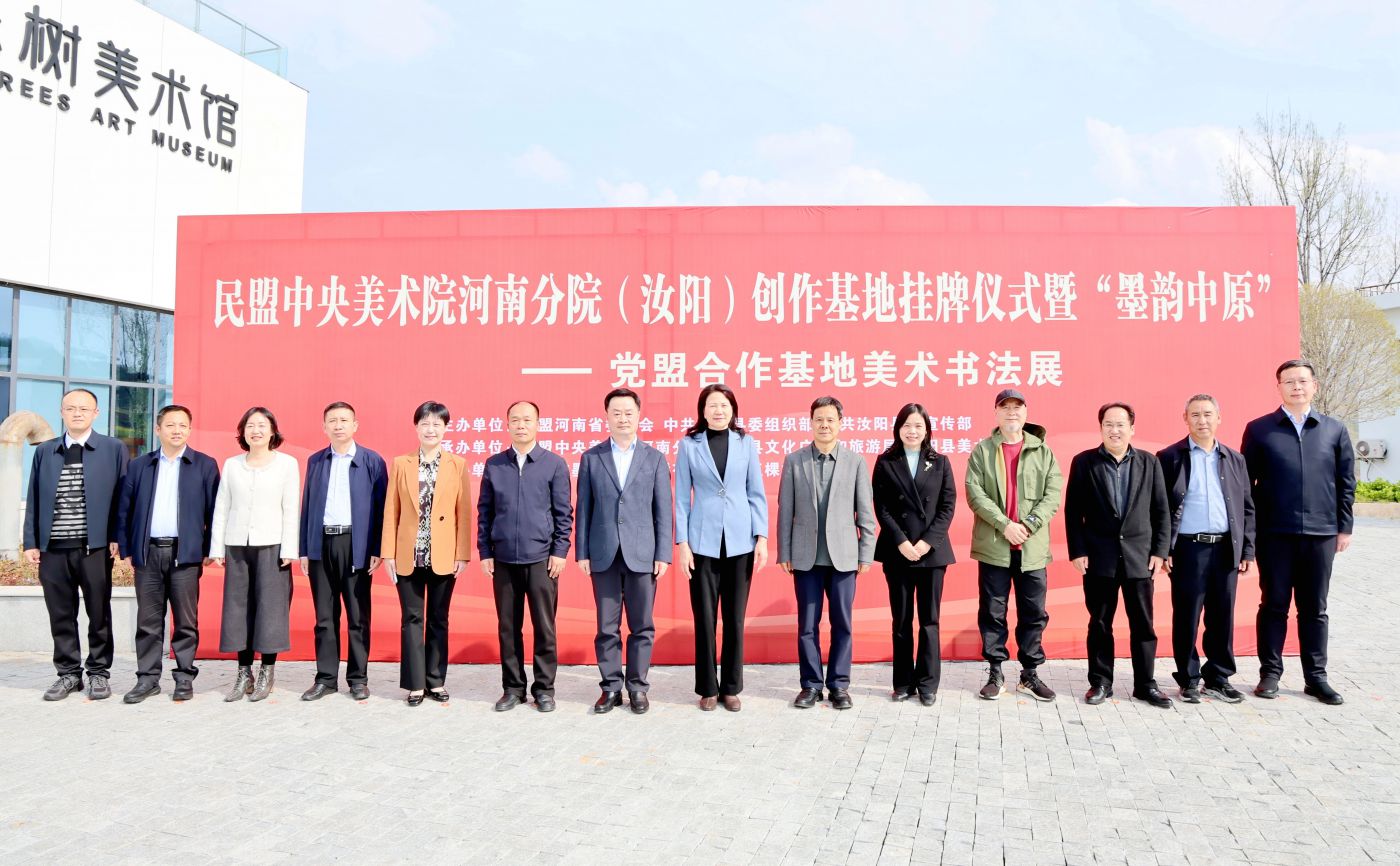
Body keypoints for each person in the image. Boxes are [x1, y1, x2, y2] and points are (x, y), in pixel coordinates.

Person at [1241, 360, 1355, 705]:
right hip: (1274, 533)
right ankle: (1270, 674)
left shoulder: (1334, 429)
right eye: (1289, 381)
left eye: (1302, 381)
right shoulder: (1260, 429)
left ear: (1314, 386)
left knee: (1314, 609)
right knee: (1273, 605)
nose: (1296, 387)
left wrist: (1344, 527)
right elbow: (1246, 487)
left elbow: (1346, 483)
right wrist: (1250, 533)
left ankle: (1316, 677)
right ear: (1278, 387)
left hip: (1321, 533)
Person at [24, 388, 131, 701]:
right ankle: (69, 674)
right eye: (71, 408)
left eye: (84, 408)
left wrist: (117, 536)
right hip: (53, 548)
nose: (77, 413)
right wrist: (31, 541)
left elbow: (123, 497)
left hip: (94, 548)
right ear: (62, 412)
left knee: (99, 613)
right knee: (60, 614)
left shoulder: (113, 448)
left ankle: (98, 673)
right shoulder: (46, 451)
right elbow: (34, 497)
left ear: (96, 413)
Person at [1065, 402, 1173, 708]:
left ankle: (1146, 684)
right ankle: (1100, 682)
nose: (1115, 430)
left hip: (1140, 557)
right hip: (1099, 557)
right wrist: (1078, 550)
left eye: (1120, 424)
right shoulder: (1084, 462)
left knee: (1143, 624)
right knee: (1100, 623)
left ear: (1132, 428)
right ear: (1100, 428)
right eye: (1108, 424)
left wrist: (1160, 551)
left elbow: (1161, 510)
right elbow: (1073, 511)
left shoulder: (1149, 462)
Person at [575, 388, 673, 715]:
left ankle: (638, 687)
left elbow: (663, 509)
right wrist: (582, 552)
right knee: (606, 627)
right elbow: (584, 508)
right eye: (616, 413)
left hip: (643, 553)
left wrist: (663, 553)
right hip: (603, 553)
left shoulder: (654, 458)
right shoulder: (592, 458)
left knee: (642, 625)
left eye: (628, 413)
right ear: (606, 416)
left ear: (638, 415)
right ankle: (611, 688)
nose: (622, 418)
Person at [115, 404, 220, 703]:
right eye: (170, 425)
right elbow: (124, 509)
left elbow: (215, 510)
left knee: (185, 621)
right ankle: (147, 679)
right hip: (147, 553)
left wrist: (209, 548)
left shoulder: (204, 465)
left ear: (189, 429)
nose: (177, 430)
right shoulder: (140, 465)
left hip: (185, 555)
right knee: (148, 621)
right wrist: (126, 547)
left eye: (183, 425)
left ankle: (184, 677)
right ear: (158, 429)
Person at [778, 396, 876, 710]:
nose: (824, 425)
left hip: (844, 558)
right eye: (819, 419)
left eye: (830, 419)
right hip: (806, 558)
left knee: (842, 624)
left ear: (840, 424)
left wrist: (866, 553)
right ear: (811, 423)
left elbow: (865, 512)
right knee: (807, 626)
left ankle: (838, 685)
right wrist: (784, 551)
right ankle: (810, 685)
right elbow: (785, 511)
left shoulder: (855, 462)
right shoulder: (795, 461)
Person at [675, 384, 769, 712]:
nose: (718, 410)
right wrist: (682, 543)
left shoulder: (746, 443)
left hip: (741, 542)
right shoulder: (689, 445)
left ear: (733, 410)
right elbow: (681, 498)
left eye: (724, 405)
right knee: (704, 618)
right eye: (712, 405)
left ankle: (731, 687)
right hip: (702, 543)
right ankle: (707, 688)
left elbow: (756, 492)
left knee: (734, 618)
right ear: (702, 410)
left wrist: (761, 537)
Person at [964, 389, 1062, 702]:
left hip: (1032, 549)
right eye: (1004, 407)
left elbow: (1052, 494)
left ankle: (1030, 674)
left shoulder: (1043, 452)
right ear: (996, 413)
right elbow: (975, 493)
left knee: (1034, 612)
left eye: (1016, 407)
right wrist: (1005, 524)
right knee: (993, 611)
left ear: (1026, 412)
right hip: (995, 546)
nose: (1011, 412)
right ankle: (995, 672)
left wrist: (1028, 525)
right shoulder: (982, 451)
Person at [1157, 394, 1255, 704]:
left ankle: (1218, 678)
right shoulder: (1169, 457)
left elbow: (1247, 508)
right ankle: (1188, 678)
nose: (1202, 420)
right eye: (1196, 415)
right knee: (1187, 616)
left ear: (1219, 418)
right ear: (1185, 419)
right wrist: (1163, 548)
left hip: (1225, 549)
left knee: (1222, 616)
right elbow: (1159, 507)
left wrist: (1247, 550)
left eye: (1208, 414)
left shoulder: (1234, 459)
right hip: (1188, 549)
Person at [478, 400, 572, 713]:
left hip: (542, 559)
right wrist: (485, 551)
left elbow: (563, 513)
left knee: (544, 627)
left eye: (527, 420)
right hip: (504, 559)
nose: (521, 425)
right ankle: (513, 688)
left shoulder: (553, 464)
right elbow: (485, 512)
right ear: (507, 425)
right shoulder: (495, 465)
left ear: (538, 424)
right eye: (515, 420)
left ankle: (544, 689)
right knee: (508, 628)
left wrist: (559, 551)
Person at [381, 401, 473, 707]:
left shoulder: (457, 464)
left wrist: (462, 554)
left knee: (438, 619)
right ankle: (415, 684)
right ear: (416, 427)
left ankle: (435, 680)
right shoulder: (401, 463)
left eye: (436, 424)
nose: (430, 429)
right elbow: (391, 509)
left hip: (444, 554)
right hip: (409, 553)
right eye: (425, 423)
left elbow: (463, 513)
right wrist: (388, 553)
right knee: (411, 618)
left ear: (446, 428)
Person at [298, 401, 388, 702]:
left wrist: (377, 548)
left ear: (355, 425)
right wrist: (304, 549)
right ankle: (325, 679)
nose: (338, 425)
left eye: (344, 420)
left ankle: (358, 679)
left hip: (356, 545)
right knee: (324, 617)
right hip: (321, 544)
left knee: (358, 616)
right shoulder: (316, 461)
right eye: (332, 421)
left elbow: (382, 510)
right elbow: (307, 506)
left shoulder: (372, 461)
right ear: (324, 427)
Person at [210, 407, 300, 703]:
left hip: (272, 545)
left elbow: (291, 508)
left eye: (262, 425)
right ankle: (243, 672)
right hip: (237, 544)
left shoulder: (286, 464)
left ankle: (267, 671)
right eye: (250, 425)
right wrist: (217, 547)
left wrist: (290, 548)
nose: (256, 431)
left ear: (273, 431)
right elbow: (222, 506)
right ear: (243, 431)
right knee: (238, 609)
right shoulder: (233, 465)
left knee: (271, 609)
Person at [872, 403, 956, 706]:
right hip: (898, 552)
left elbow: (947, 506)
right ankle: (903, 682)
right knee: (902, 620)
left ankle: (928, 683)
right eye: (907, 425)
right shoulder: (885, 462)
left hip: (932, 553)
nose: (912, 431)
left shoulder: (941, 462)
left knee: (930, 620)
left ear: (927, 430)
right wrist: (901, 541)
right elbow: (881, 506)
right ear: (898, 429)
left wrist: (927, 542)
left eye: (918, 426)